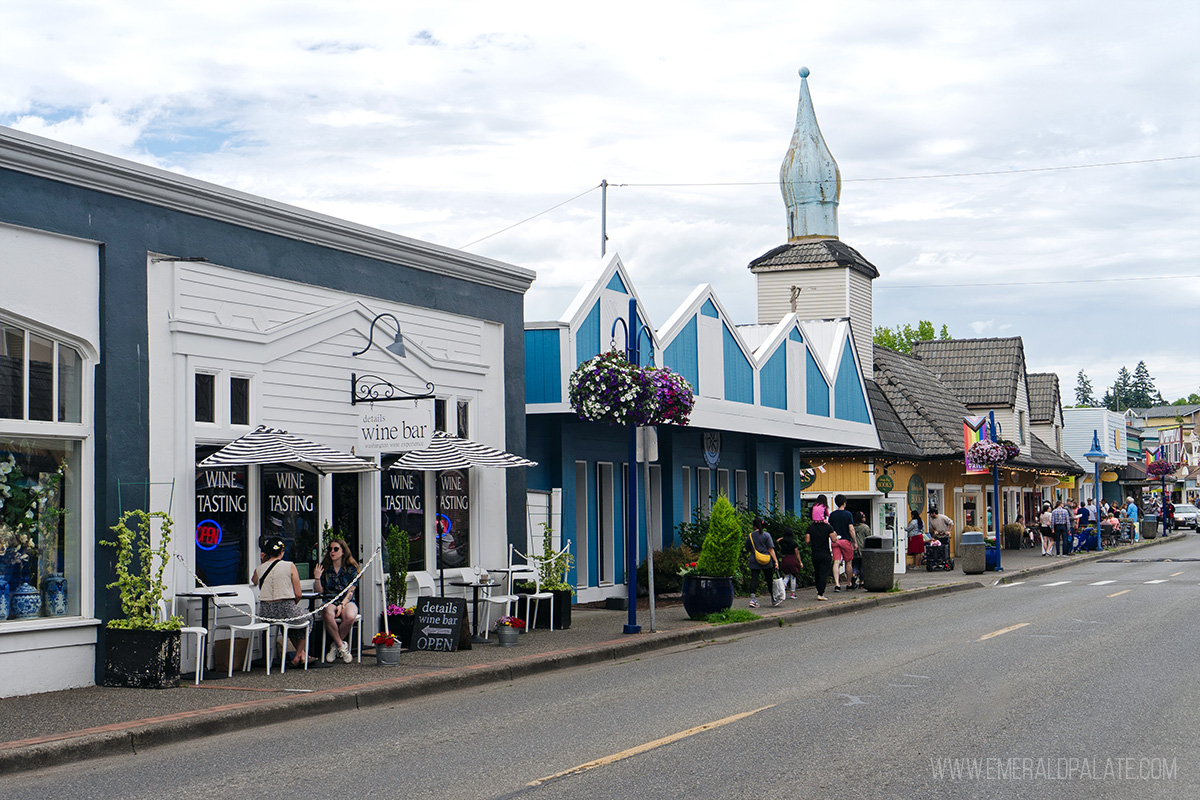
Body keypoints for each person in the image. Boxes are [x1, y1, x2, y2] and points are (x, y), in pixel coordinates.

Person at [251, 536, 309, 668]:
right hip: (285, 608)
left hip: (265, 612)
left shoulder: (260, 568)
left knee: (289, 623)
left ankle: (302, 655)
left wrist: (262, 561)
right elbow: (298, 593)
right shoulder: (289, 566)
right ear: (282, 551)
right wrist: (293, 604)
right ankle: (299, 654)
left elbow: (254, 580)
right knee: (307, 617)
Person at [314, 537, 360, 663]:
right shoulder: (325, 568)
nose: (332, 552)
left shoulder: (351, 569)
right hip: (329, 599)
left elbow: (351, 591)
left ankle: (335, 646)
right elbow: (319, 591)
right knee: (327, 613)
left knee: (350, 616)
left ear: (343, 552)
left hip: (347, 600)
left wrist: (342, 604)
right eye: (330, 549)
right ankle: (341, 646)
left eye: (336, 549)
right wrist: (317, 578)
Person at [744, 517, 780, 608]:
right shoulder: (767, 535)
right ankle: (773, 599)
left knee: (754, 580)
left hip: (754, 560)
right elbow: (770, 549)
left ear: (754, 526)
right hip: (766, 560)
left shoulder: (750, 536)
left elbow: (747, 548)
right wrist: (776, 561)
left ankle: (752, 600)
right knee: (769, 580)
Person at [828, 495, 856, 591]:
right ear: (844, 503)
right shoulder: (848, 514)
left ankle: (837, 584)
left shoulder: (832, 515)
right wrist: (855, 542)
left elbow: (830, 529)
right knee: (848, 562)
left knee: (836, 562)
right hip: (845, 540)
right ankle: (849, 583)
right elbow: (851, 529)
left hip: (835, 541)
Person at [805, 517, 836, 601]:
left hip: (815, 553)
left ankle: (818, 589)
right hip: (825, 553)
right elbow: (834, 540)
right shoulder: (828, 527)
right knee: (823, 573)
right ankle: (821, 593)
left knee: (817, 572)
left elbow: (807, 540)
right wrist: (834, 534)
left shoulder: (810, 528)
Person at [776, 529, 803, 600]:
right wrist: (800, 562)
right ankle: (792, 593)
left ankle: (783, 586)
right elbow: (797, 553)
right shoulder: (794, 543)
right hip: (792, 559)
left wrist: (784, 538)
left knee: (787, 575)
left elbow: (777, 540)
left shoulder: (782, 542)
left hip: (784, 559)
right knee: (793, 576)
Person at [852, 511, 870, 587]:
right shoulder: (865, 527)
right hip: (863, 547)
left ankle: (853, 574)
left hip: (854, 548)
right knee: (863, 565)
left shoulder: (852, 527)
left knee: (855, 564)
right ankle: (861, 581)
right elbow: (868, 537)